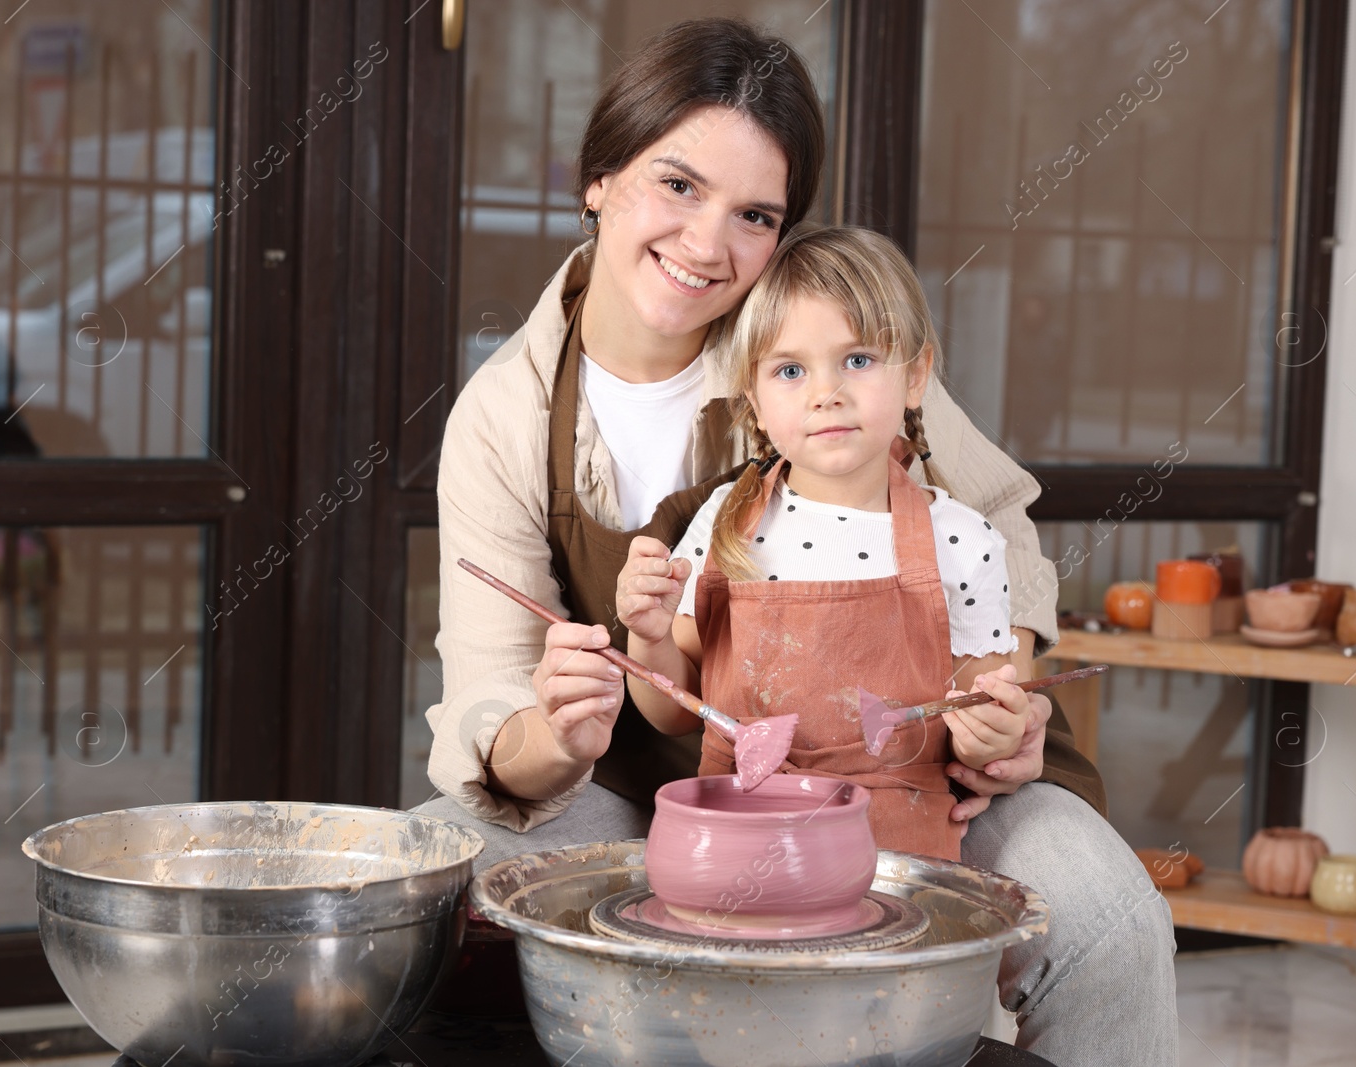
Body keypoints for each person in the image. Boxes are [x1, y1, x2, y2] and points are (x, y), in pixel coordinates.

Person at [419, 17, 1177, 1065]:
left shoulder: (821, 343)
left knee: (1104, 920)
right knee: (428, 883)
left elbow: (999, 529)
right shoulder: (505, 412)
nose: (706, 243)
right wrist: (558, 733)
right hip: (642, 786)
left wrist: (1000, 703)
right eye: (676, 185)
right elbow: (487, 695)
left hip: (908, 774)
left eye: (754, 213)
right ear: (598, 176)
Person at [617, 226, 1034, 863]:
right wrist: (646, 634)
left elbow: (981, 716)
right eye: (790, 370)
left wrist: (991, 737)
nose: (826, 392)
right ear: (753, 402)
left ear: (915, 376)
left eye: (859, 360)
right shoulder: (725, 528)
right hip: (736, 854)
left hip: (898, 867)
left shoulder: (964, 543)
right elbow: (675, 712)